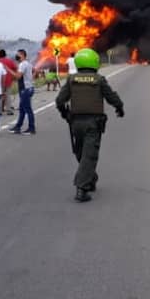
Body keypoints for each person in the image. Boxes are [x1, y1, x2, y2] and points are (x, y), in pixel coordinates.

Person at [56, 48, 124, 203]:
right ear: (94, 62)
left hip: (75, 123)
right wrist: (119, 107)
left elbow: (60, 101)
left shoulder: (71, 79)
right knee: (89, 155)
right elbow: (111, 96)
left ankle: (90, 178)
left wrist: (65, 113)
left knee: (80, 153)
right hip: (93, 123)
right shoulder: (99, 80)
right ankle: (81, 188)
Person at [7, 49, 36, 135]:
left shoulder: (22, 64)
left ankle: (31, 128)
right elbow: (35, 70)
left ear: (22, 55)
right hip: (29, 88)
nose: (16, 56)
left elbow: (18, 76)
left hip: (25, 89)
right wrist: (30, 79)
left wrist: (8, 70)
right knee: (22, 109)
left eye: (18, 55)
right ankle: (18, 127)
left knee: (27, 109)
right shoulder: (28, 63)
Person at [0, 49, 18, 116]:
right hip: (9, 81)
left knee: (0, 96)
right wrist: (14, 76)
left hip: (0, 81)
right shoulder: (9, 61)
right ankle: (9, 110)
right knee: (8, 96)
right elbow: (15, 68)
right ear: (5, 54)